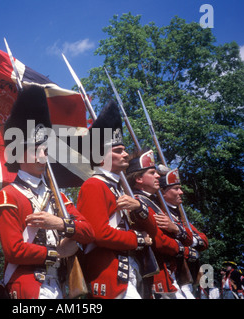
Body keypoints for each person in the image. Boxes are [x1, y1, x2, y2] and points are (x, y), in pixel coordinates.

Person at [0, 85, 94, 299]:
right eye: (35, 150)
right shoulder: (6, 195)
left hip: (61, 284)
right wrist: (58, 253)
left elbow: (89, 231)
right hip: (28, 284)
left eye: (44, 150)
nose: (42, 156)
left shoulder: (59, 196)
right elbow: (14, 250)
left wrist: (60, 224)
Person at [76, 101, 155, 299]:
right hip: (108, 273)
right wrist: (137, 239)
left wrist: (139, 208)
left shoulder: (118, 188)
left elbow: (152, 230)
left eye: (124, 150)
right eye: (118, 151)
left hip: (129, 271)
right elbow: (98, 234)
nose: (126, 154)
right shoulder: (94, 185)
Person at [125, 149, 193, 299]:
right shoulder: (140, 201)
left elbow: (189, 238)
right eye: (152, 172)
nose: (157, 176)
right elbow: (159, 241)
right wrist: (184, 250)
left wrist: (175, 228)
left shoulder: (155, 203)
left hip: (169, 271)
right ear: (139, 179)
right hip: (154, 273)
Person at [157, 166, 209, 298]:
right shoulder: (160, 213)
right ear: (162, 192)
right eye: (176, 189)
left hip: (185, 278)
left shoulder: (180, 217)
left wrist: (186, 237)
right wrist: (188, 248)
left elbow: (204, 242)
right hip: (169, 274)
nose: (181, 192)